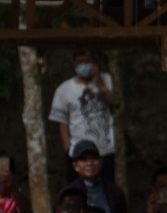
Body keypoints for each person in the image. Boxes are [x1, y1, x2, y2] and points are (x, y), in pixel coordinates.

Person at [49, 49, 116, 181]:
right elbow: (62, 122)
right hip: (79, 150)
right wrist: (68, 148)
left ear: (95, 63)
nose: (84, 65)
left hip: (106, 149)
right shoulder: (64, 89)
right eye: (80, 62)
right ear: (74, 63)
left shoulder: (107, 80)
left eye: (87, 61)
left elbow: (115, 104)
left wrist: (99, 84)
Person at [63, 140, 127, 213]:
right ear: (75, 166)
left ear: (101, 162)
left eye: (93, 158)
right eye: (83, 159)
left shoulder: (114, 192)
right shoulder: (67, 195)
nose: (89, 163)